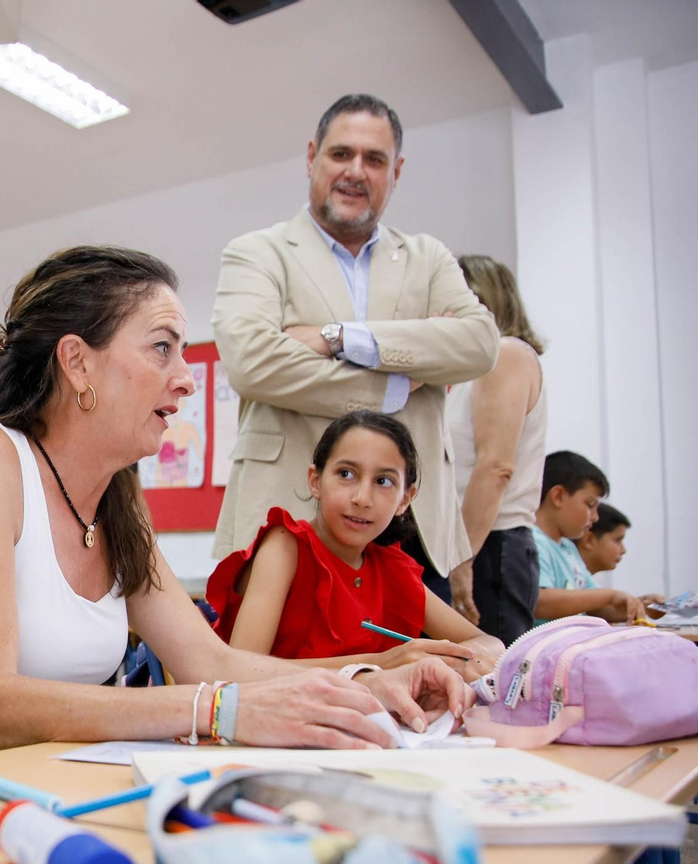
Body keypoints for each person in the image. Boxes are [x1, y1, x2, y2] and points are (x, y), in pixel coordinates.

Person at [0, 246, 472, 777]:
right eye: (162, 348)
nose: (186, 379)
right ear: (77, 362)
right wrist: (213, 710)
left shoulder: (116, 495)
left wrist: (369, 674)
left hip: (33, 776)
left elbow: (213, 663)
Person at [212, 93, 499, 602]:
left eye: (374, 159)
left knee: (424, 678)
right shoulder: (258, 252)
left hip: (412, 531)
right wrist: (398, 381)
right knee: (290, 680)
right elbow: (253, 363)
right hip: (290, 522)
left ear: (397, 171)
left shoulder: (427, 257)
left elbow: (478, 344)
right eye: (341, 154)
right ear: (311, 157)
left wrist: (341, 338)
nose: (355, 171)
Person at [208, 411, 503, 679]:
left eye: (384, 481)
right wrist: (384, 663)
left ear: (405, 498)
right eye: (346, 474)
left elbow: (489, 643)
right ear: (315, 481)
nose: (362, 498)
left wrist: (462, 663)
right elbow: (240, 672)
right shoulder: (286, 547)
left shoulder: (391, 567)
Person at [445, 255, 547, 645]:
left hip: (489, 547)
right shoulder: (464, 373)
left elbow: (495, 466)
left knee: (493, 681)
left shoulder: (505, 353)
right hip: (473, 545)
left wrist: (462, 558)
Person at [530, 452, 650, 622]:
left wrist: (640, 606)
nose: (595, 517)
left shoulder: (568, 548)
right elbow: (539, 601)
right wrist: (608, 595)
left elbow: (598, 608)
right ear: (558, 496)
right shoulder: (533, 542)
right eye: (590, 505)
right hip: (544, 647)